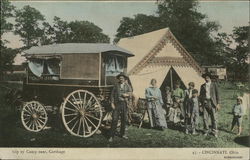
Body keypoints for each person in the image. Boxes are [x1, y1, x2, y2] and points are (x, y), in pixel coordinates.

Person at [109, 72, 132, 142]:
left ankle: (122, 134)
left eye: (122, 78)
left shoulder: (127, 85)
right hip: (117, 104)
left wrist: (127, 95)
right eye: (120, 78)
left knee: (124, 119)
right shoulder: (116, 85)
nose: (121, 79)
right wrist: (112, 103)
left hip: (124, 104)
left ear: (124, 79)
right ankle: (111, 136)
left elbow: (130, 92)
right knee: (114, 119)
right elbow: (112, 95)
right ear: (119, 79)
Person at [199, 72, 220, 137]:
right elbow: (201, 95)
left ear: (210, 77)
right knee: (205, 118)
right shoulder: (202, 86)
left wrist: (218, 104)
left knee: (214, 118)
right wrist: (200, 104)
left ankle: (215, 131)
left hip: (213, 103)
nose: (206, 78)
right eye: (205, 77)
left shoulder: (214, 84)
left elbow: (218, 94)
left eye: (207, 77)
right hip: (205, 103)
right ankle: (206, 130)